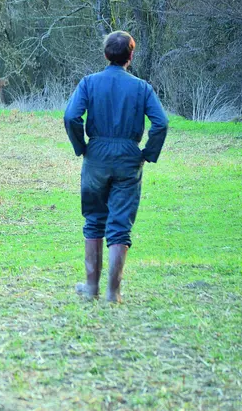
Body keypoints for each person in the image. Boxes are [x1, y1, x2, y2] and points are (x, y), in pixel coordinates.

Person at [63, 31, 168, 303]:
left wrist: (81, 147)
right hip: (128, 157)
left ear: (106, 54)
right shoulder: (142, 88)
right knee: (120, 225)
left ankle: (91, 288)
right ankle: (114, 292)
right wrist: (147, 153)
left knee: (94, 221)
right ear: (130, 56)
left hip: (96, 154)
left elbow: (71, 116)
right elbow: (161, 123)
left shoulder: (89, 83)